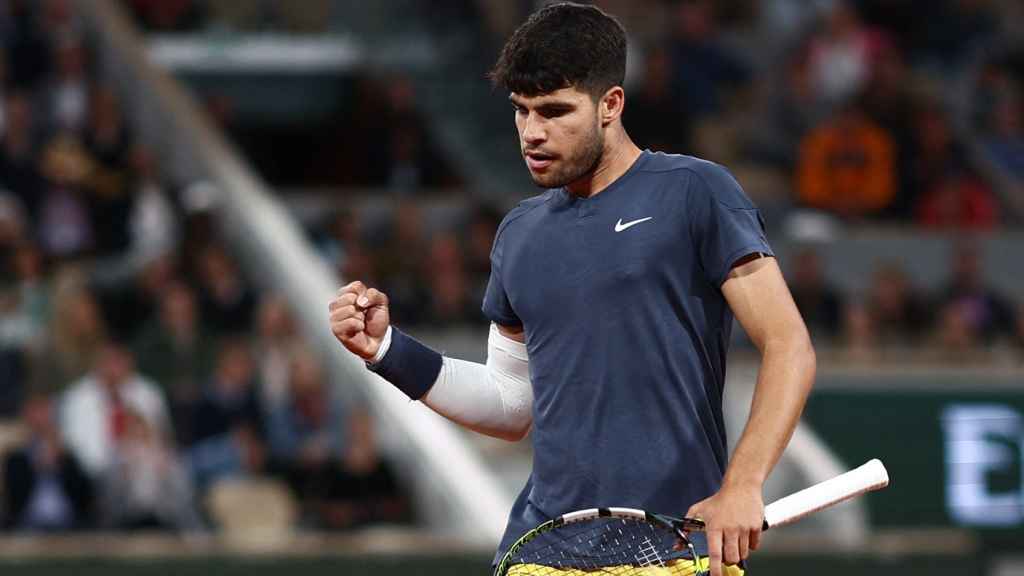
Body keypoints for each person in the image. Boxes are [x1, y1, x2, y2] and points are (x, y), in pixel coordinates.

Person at [328, 4, 816, 576]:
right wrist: (388, 350)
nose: (532, 133)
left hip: (675, 549)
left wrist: (743, 485)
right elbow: (511, 404)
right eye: (521, 110)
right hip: (541, 551)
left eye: (555, 111)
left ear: (611, 104)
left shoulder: (696, 193)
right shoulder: (519, 233)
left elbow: (788, 345)